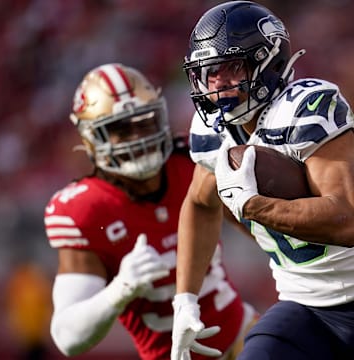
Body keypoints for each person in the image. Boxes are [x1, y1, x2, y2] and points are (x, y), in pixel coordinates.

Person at [171, 1, 354, 360]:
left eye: (231, 68)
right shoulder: (214, 133)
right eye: (209, 73)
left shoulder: (306, 107)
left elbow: (347, 218)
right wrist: (185, 299)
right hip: (307, 307)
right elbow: (198, 203)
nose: (218, 83)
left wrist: (256, 207)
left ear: (267, 63)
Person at [44, 63, 258, 360]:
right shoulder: (85, 209)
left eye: (144, 121)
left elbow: (258, 226)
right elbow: (68, 338)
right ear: (92, 139)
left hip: (242, 335)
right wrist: (120, 289)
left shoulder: (190, 160)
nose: (138, 136)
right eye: (121, 129)